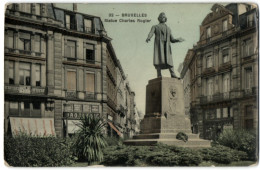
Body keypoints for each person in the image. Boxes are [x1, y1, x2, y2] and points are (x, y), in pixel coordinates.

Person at [146, 12, 184, 78]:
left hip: (166, 47)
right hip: (159, 46)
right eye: (161, 17)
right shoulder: (155, 27)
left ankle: (172, 74)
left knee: (169, 60)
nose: (163, 18)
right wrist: (148, 37)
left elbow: (172, 39)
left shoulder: (168, 29)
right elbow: (151, 33)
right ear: (159, 18)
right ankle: (159, 74)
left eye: (164, 17)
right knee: (159, 59)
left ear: (165, 19)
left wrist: (178, 40)